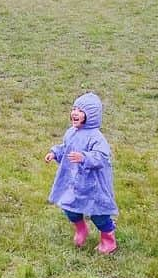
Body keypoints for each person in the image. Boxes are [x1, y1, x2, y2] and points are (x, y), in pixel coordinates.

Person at [46, 93, 118, 254]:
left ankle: (108, 239)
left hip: (93, 184)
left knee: (98, 214)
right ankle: (81, 229)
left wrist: (84, 157)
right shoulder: (71, 132)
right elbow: (66, 148)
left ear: (91, 115)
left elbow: (101, 157)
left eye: (80, 110)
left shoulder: (96, 137)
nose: (75, 113)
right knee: (69, 206)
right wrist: (55, 153)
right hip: (74, 181)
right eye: (74, 109)